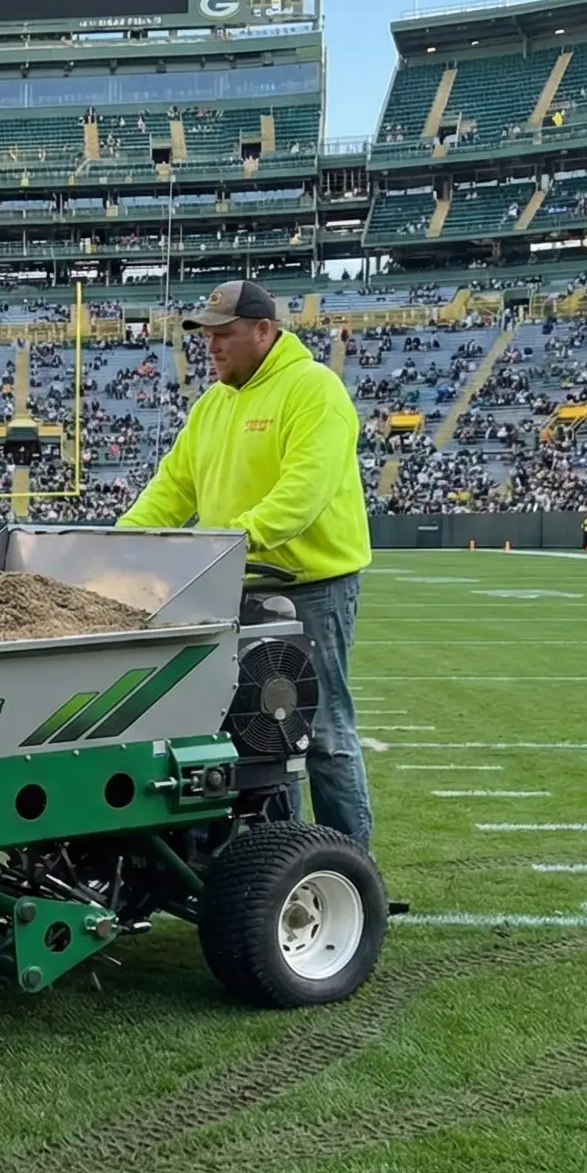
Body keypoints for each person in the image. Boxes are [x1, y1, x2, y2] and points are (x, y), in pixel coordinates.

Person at [120, 281, 373, 847]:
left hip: (311, 586)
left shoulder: (314, 390)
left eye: (223, 335)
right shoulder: (212, 404)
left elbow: (302, 495)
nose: (210, 346)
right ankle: (280, 858)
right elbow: (172, 488)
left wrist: (228, 542)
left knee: (323, 733)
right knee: (259, 734)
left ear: (264, 330)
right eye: (205, 336)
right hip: (234, 583)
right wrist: (120, 543)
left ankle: (352, 866)